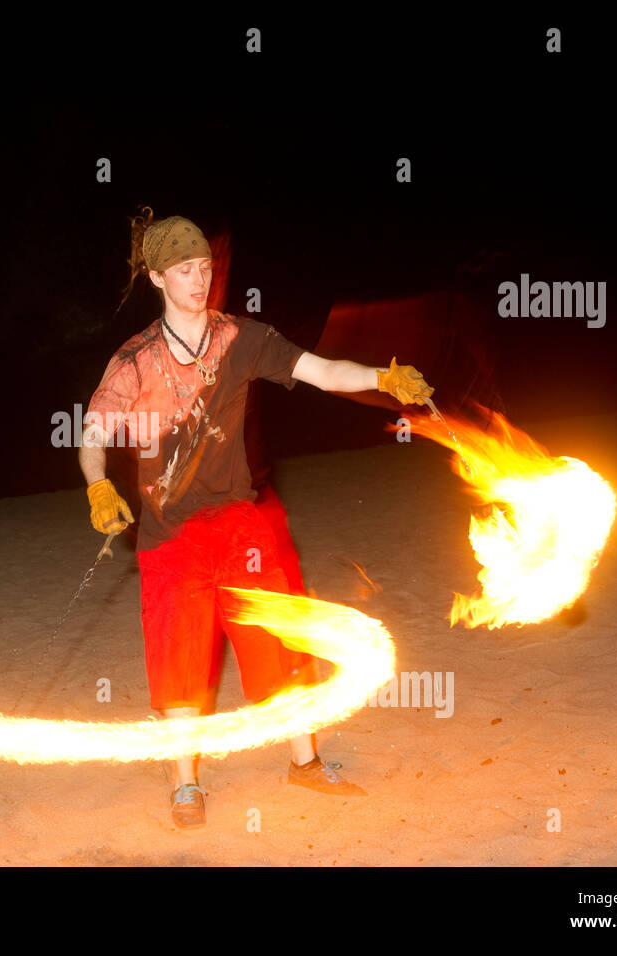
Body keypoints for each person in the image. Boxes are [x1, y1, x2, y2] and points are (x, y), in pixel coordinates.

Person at [79, 208, 434, 829]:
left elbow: (321, 371)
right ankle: (186, 785)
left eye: (206, 267)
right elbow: (94, 431)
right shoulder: (133, 360)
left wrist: (383, 375)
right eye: (185, 270)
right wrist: (98, 486)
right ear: (158, 278)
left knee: (280, 643)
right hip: (170, 536)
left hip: (241, 524)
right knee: (179, 663)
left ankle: (304, 763)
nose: (200, 279)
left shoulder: (241, 338)